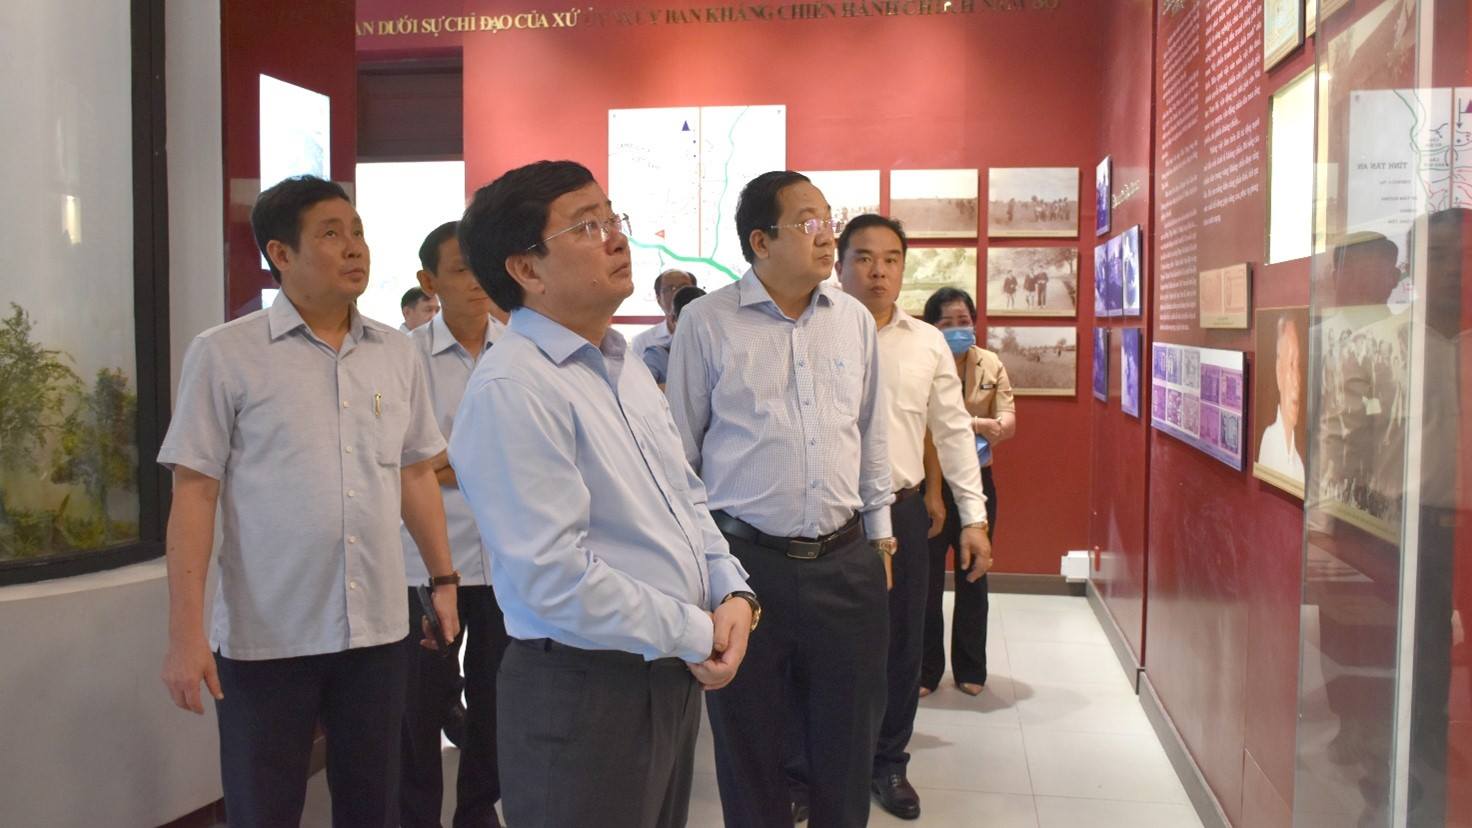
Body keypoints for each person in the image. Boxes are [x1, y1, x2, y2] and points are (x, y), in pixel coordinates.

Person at [450, 160, 756, 828]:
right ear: (525, 269)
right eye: (586, 227)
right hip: (584, 687)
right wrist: (696, 630)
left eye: (612, 217)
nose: (617, 238)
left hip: (666, 665)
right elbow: (554, 579)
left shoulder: (622, 365)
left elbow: (685, 497)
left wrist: (732, 590)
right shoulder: (515, 389)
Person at [158, 175, 461, 828]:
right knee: (263, 811)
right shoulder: (225, 355)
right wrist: (185, 634)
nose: (354, 247)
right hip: (267, 637)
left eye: (358, 232)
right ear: (281, 253)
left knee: (373, 809)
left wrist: (443, 580)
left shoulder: (396, 354)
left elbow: (414, 473)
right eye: (330, 234)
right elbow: (195, 494)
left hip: (378, 632)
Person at [667, 170, 896, 828]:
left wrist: (880, 538)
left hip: (846, 562)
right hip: (747, 567)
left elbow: (871, 434)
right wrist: (704, 572)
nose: (827, 235)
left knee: (847, 747)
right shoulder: (708, 323)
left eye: (829, 219)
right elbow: (680, 457)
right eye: (808, 222)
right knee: (751, 750)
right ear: (760, 241)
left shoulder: (852, 320)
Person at [836, 214, 991, 820]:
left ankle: (888, 762)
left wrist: (973, 518)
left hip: (899, 512)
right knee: (825, 645)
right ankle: (807, 767)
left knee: (902, 641)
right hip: (827, 516)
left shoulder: (926, 341)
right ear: (839, 264)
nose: (878, 271)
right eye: (864, 258)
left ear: (903, 267)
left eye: (891, 259)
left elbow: (952, 433)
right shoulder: (812, 331)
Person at [398, 220, 510, 828]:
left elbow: (526, 453)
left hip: (506, 562)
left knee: (495, 700)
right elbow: (402, 462)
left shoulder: (519, 351)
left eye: (482, 265)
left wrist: (443, 461)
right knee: (421, 703)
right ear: (430, 281)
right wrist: (463, 461)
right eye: (462, 269)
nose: (476, 280)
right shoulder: (405, 357)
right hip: (425, 561)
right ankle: (416, 816)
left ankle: (476, 812)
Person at [919, 287, 1015, 697]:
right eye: (947, 323)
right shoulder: (922, 360)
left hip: (978, 482)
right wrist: (976, 425)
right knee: (925, 582)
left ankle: (970, 668)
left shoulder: (989, 363)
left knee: (974, 575)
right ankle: (925, 670)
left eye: (964, 321)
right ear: (931, 326)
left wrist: (993, 425)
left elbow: (1007, 420)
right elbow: (926, 419)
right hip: (929, 483)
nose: (958, 329)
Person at [1257, 313, 1305, 486]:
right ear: (1279, 372)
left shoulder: (1299, 466)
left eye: (1299, 366)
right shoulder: (1269, 441)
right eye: (1291, 365)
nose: (1297, 382)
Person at [631, 268, 698, 384]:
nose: (678, 292)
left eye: (684, 287)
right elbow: (639, 387)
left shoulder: (711, 338)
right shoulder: (643, 342)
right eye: (670, 288)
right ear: (658, 299)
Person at [643, 284, 707, 385]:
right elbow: (643, 391)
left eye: (705, 320)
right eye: (691, 322)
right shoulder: (657, 356)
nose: (700, 328)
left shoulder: (717, 354)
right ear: (673, 319)